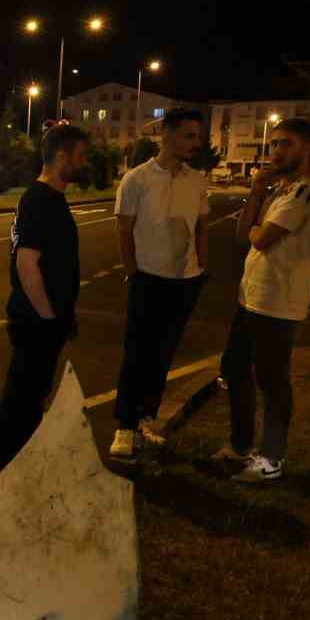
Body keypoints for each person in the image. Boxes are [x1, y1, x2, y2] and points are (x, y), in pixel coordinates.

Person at [214, 117, 310, 482]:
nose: (276, 150)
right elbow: (242, 231)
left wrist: (255, 230)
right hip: (253, 296)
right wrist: (257, 191)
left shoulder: (306, 190)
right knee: (234, 368)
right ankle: (241, 445)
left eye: (287, 143)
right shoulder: (279, 189)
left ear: (307, 148)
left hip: (279, 300)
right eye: (275, 143)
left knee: (272, 380)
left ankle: (271, 459)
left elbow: (263, 238)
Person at [109, 108, 211, 461]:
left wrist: (202, 268)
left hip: (185, 280)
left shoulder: (197, 180)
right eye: (188, 136)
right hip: (148, 278)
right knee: (137, 352)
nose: (194, 143)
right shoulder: (136, 179)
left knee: (163, 354)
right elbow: (124, 229)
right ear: (165, 136)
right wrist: (133, 272)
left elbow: (200, 227)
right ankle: (124, 425)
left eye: (197, 137)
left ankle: (145, 420)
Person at [0, 123, 89, 471]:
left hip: (45, 320)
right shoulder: (40, 200)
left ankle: (20, 467)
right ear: (62, 156)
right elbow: (26, 263)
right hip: (36, 322)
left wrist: (65, 315)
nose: (84, 162)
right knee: (21, 403)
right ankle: (9, 471)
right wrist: (50, 318)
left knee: (30, 399)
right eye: (80, 155)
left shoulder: (50, 199)